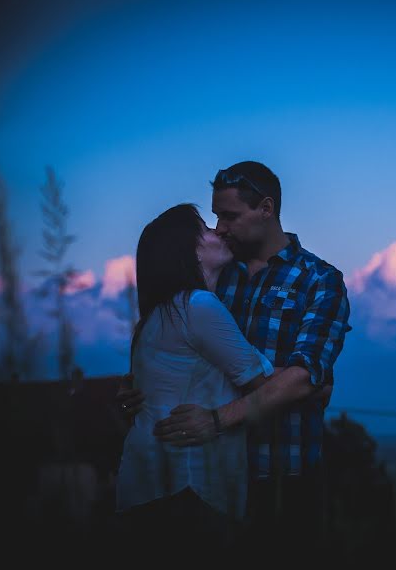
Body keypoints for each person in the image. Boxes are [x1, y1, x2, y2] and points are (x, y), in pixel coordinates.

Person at [117, 161, 351, 552]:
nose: (221, 227)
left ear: (266, 207)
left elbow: (304, 373)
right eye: (215, 218)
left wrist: (218, 419)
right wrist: (137, 389)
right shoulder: (210, 279)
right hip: (214, 473)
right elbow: (302, 382)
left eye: (229, 215)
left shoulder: (319, 280)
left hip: (283, 469)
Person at [113, 203, 275, 548]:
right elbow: (266, 387)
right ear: (186, 251)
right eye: (204, 228)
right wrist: (310, 379)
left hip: (148, 486)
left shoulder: (154, 319)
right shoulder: (197, 306)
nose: (217, 231)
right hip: (189, 489)